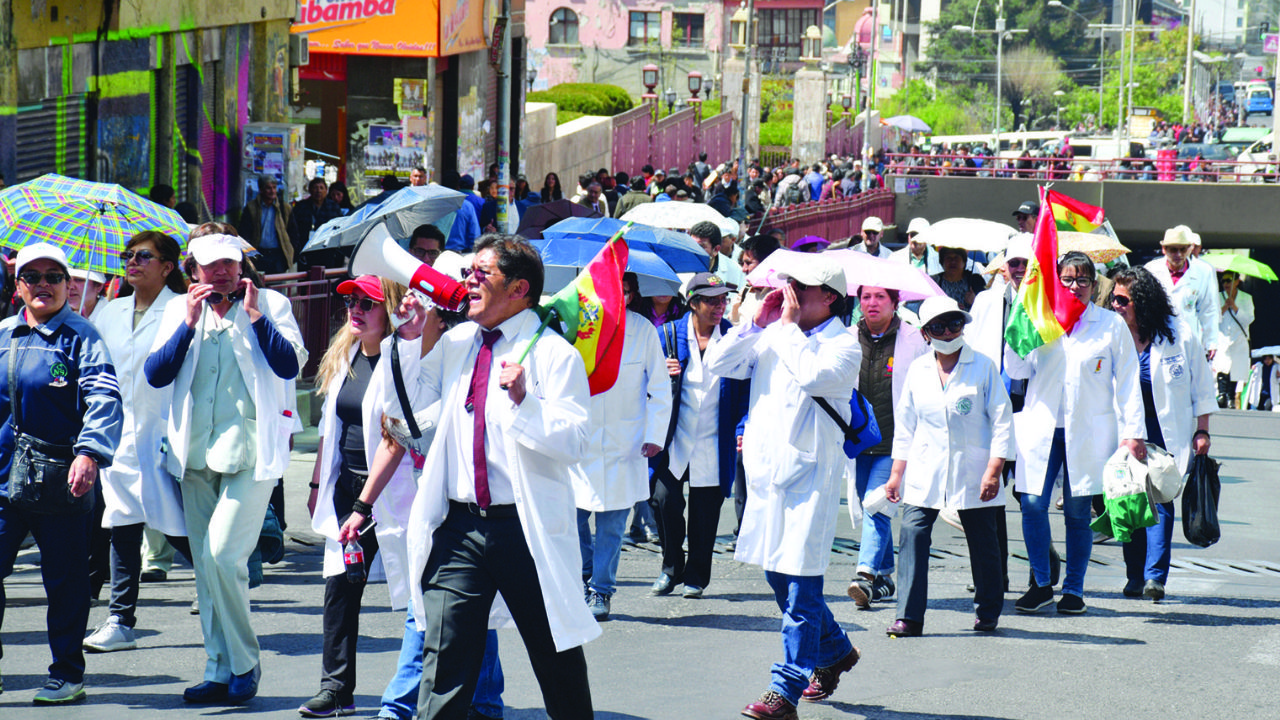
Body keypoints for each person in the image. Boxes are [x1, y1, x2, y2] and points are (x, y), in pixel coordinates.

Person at [387, 235, 598, 719]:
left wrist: (527, 403)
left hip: (524, 529)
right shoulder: (459, 340)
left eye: (482, 273)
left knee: (555, 655)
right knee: (444, 661)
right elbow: (410, 408)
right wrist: (415, 335)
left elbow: (577, 441)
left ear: (520, 288)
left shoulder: (552, 353)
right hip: (459, 528)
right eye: (469, 272)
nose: (469, 281)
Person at [145, 233, 306, 704]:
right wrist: (189, 324)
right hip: (194, 454)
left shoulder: (270, 304)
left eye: (229, 266)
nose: (220, 274)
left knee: (222, 556)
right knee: (206, 570)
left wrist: (255, 317)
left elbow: (289, 365)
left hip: (251, 454)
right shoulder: (179, 310)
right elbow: (157, 373)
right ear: (192, 269)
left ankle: (245, 661)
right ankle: (218, 668)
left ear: (241, 269)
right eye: (210, 266)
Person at [705, 254, 863, 720]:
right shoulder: (774, 331)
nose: (788, 291)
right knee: (777, 574)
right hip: (766, 475)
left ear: (828, 297)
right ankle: (834, 650)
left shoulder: (844, 345)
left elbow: (813, 375)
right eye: (787, 284)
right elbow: (719, 362)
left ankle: (785, 690)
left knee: (801, 588)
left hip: (810, 479)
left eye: (799, 286)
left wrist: (787, 326)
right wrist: (755, 323)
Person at [0, 243, 122, 705]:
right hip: (4, 479)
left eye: (54, 276)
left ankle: (67, 673)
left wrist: (89, 453)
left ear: (69, 285)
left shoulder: (82, 336)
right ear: (19, 287)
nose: (44, 285)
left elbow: (104, 399)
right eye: (33, 277)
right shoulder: (5, 335)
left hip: (61, 482)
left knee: (66, 582)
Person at [1004, 251, 1145, 616]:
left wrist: (1133, 433)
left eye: (1083, 280)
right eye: (1066, 278)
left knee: (1078, 512)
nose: (1075, 286)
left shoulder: (1109, 325)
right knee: (1032, 504)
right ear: (1055, 281)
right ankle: (1040, 583)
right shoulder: (1041, 318)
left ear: (1094, 285)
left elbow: (1129, 380)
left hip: (1088, 430)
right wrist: (1022, 323)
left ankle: (1074, 589)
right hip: (1042, 428)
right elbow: (1015, 368)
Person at [298, 275, 409, 717]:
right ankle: (335, 687)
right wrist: (315, 485)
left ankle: (437, 687)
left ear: (393, 310)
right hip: (348, 491)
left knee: (418, 592)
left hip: (394, 495)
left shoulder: (405, 359)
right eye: (351, 301)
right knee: (340, 589)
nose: (356, 310)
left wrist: (365, 503)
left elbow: (397, 438)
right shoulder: (345, 354)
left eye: (368, 302)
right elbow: (331, 426)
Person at [82, 232, 192, 655]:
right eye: (128, 255)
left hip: (167, 433)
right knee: (122, 524)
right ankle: (120, 619)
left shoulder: (182, 308)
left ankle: (221, 595)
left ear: (167, 266)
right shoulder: (109, 311)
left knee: (181, 526)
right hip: (118, 437)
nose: (132, 262)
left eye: (143, 256)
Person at [883, 296, 1013, 636]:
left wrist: (994, 469)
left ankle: (988, 610)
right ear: (926, 334)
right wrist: (897, 474)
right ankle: (909, 615)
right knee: (912, 532)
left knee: (983, 540)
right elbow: (906, 425)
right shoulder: (918, 370)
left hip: (974, 468)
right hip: (926, 468)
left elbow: (1002, 421)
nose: (948, 331)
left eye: (954, 323)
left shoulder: (982, 367)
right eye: (939, 326)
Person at [1107, 267, 1215, 602]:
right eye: (1113, 298)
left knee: (1161, 500)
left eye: (1122, 300)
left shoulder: (1179, 334)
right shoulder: (1111, 334)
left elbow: (1202, 386)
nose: (1115, 305)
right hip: (1126, 429)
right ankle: (1134, 574)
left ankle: (1154, 576)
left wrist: (1202, 431)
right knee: (1129, 501)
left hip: (1167, 430)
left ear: (1142, 301)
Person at [650, 274, 749, 600]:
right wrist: (662, 375)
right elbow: (644, 382)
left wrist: (742, 427)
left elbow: (749, 391)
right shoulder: (668, 335)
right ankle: (671, 565)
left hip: (713, 442)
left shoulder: (734, 340)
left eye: (723, 300)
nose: (719, 306)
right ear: (692, 303)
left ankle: (697, 576)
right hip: (675, 440)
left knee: (705, 516)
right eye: (711, 300)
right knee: (664, 501)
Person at [573, 298, 670, 619]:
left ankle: (601, 590)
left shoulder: (642, 330)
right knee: (572, 519)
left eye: (624, 290)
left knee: (612, 526)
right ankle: (586, 571)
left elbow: (659, 386)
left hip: (624, 444)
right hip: (579, 442)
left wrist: (655, 434)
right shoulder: (575, 326)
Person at [845, 285, 929, 610]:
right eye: (866, 297)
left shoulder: (913, 341)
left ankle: (865, 574)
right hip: (858, 440)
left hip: (895, 442)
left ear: (895, 302)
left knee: (876, 504)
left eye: (881, 297)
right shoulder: (847, 337)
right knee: (873, 505)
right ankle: (885, 576)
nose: (872, 303)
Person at [1144, 226, 1220, 357]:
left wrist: (1211, 341)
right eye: (1173, 250)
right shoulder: (1151, 269)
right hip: (1157, 338)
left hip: (1188, 339)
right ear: (1164, 249)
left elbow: (1209, 309)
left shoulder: (1203, 271)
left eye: (1182, 249)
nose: (1178, 254)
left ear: (1189, 249)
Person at [237, 175, 294, 274]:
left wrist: (290, 255)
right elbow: (244, 232)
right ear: (261, 190)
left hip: (278, 256)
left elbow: (293, 233)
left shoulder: (284, 208)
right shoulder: (251, 208)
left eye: (274, 188)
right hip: (259, 255)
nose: (272, 191)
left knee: (277, 286)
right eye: (268, 188)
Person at [1213, 270, 1253, 408]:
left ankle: (1231, 396)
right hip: (1223, 337)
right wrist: (1224, 307)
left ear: (1236, 281)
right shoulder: (1218, 297)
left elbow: (1249, 319)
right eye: (1223, 280)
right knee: (1222, 366)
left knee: (1236, 368)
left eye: (1229, 280)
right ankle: (1222, 394)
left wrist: (1235, 307)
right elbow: (1212, 318)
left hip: (1239, 338)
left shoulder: (1246, 298)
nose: (1226, 283)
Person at [290, 177, 343, 268]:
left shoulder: (333, 207)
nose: (318, 191)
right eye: (315, 188)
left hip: (326, 250)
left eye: (321, 188)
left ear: (326, 191)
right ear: (310, 190)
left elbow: (339, 229)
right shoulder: (301, 207)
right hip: (306, 249)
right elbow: (294, 230)